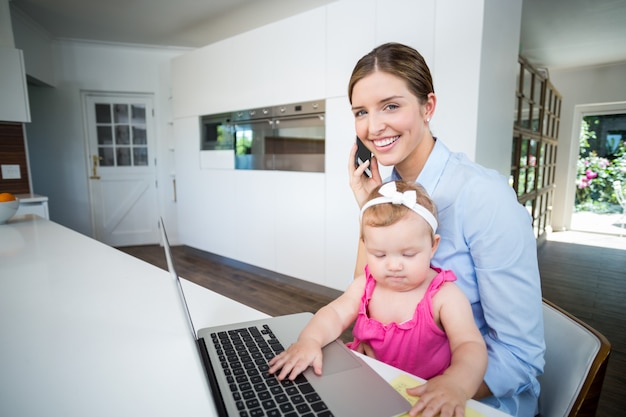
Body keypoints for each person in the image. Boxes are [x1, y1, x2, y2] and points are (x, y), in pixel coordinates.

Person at [346, 42, 545, 417]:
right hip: (400, 383)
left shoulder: (484, 197)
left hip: (475, 397)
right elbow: (366, 299)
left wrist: (438, 388)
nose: (373, 127)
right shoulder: (389, 194)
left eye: (391, 105)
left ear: (428, 107)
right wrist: (368, 206)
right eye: (361, 112)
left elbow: (522, 357)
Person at [269, 180, 487, 417]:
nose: (394, 265)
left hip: (420, 398)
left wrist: (456, 384)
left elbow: (470, 346)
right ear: (366, 246)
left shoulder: (444, 296)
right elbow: (335, 313)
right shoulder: (367, 284)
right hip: (365, 386)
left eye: (409, 254)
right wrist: (309, 340)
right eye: (379, 254)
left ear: (432, 246)